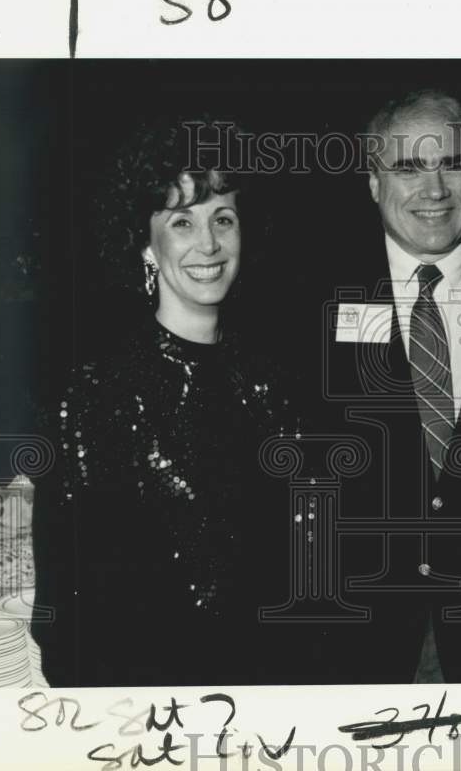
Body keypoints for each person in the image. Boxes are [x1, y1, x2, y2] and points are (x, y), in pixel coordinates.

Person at [269, 89, 461, 684]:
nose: (435, 190)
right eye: (408, 167)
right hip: (350, 641)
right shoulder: (303, 296)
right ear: (374, 183)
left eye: (451, 163)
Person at [31, 120, 297, 687]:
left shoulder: (275, 382)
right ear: (145, 245)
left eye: (223, 218)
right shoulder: (96, 395)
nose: (208, 244)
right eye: (182, 222)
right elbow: (65, 607)